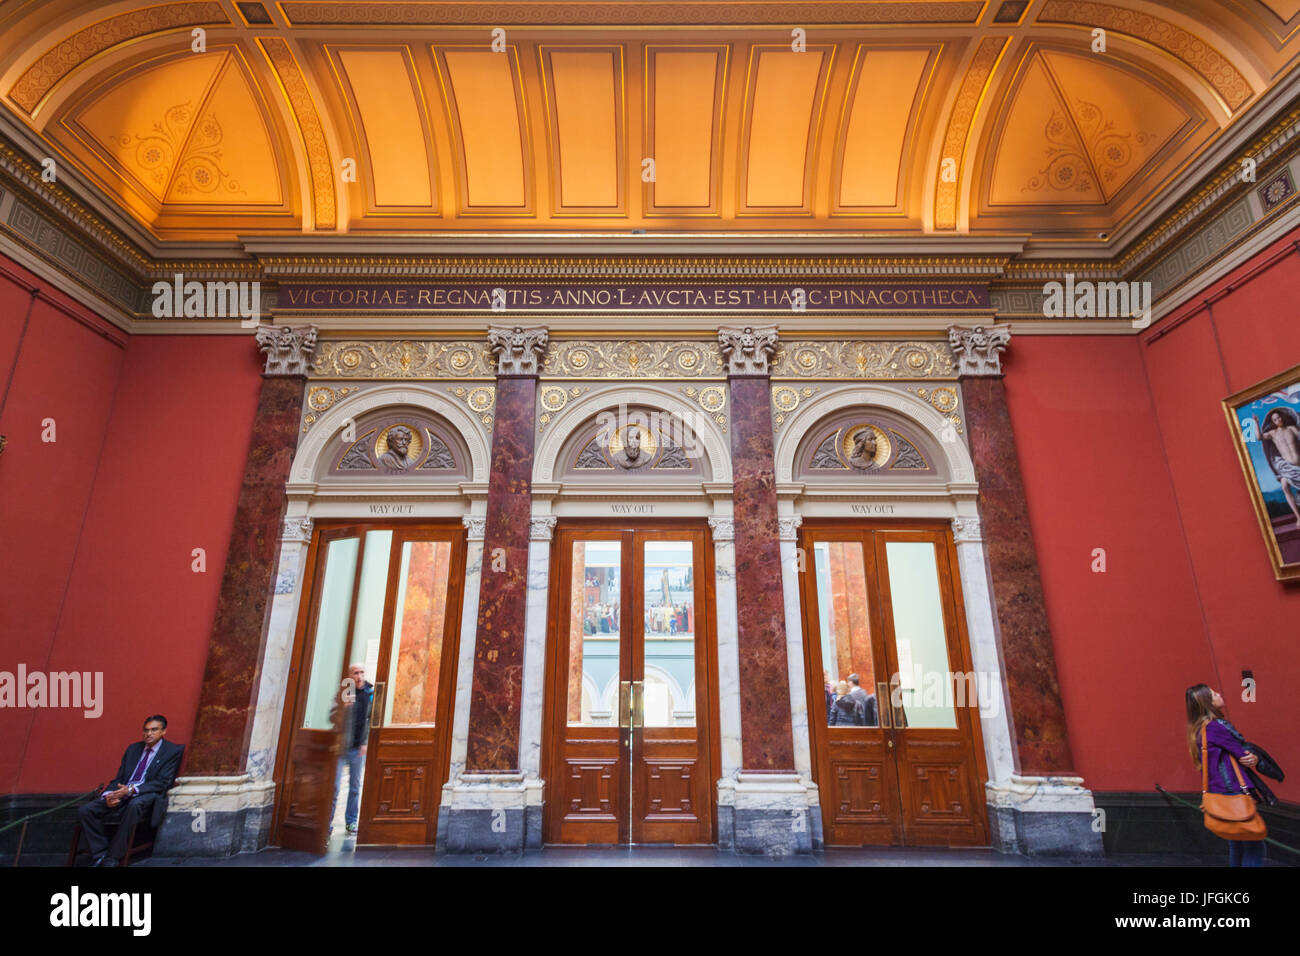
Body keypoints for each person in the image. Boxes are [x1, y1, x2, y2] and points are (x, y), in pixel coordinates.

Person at [77, 715, 183, 866]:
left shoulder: (172, 751)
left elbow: (162, 782)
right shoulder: (133, 749)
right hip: (122, 791)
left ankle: (113, 857)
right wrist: (109, 794)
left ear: (164, 731)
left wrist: (131, 790)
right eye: (146, 730)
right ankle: (101, 853)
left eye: (154, 730)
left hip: (146, 794)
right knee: (85, 810)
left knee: (134, 805)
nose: (149, 734)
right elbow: (119, 778)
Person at [1185, 683, 1267, 867]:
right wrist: (1253, 758)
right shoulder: (1216, 727)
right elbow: (1244, 755)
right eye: (1214, 694)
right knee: (1255, 848)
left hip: (1218, 792)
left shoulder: (1198, 730)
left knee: (1236, 844)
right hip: (1234, 791)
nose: (1219, 694)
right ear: (1208, 703)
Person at [329, 663, 373, 835]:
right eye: (356, 673)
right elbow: (332, 717)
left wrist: (365, 742)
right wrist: (342, 709)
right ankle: (327, 825)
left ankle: (351, 822)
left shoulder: (370, 693)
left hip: (358, 748)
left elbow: (372, 720)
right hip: (341, 747)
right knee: (334, 787)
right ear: (350, 675)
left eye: (362, 672)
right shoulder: (343, 694)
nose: (359, 676)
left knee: (355, 787)